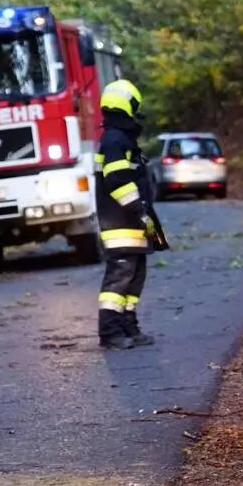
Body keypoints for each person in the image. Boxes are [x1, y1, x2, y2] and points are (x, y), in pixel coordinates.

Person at [94, 79, 166, 349]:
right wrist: (140, 211)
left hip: (132, 223)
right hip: (121, 224)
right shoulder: (114, 140)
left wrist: (147, 219)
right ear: (128, 105)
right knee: (120, 276)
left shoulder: (120, 139)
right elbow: (117, 181)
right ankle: (110, 332)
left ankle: (129, 327)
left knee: (135, 277)